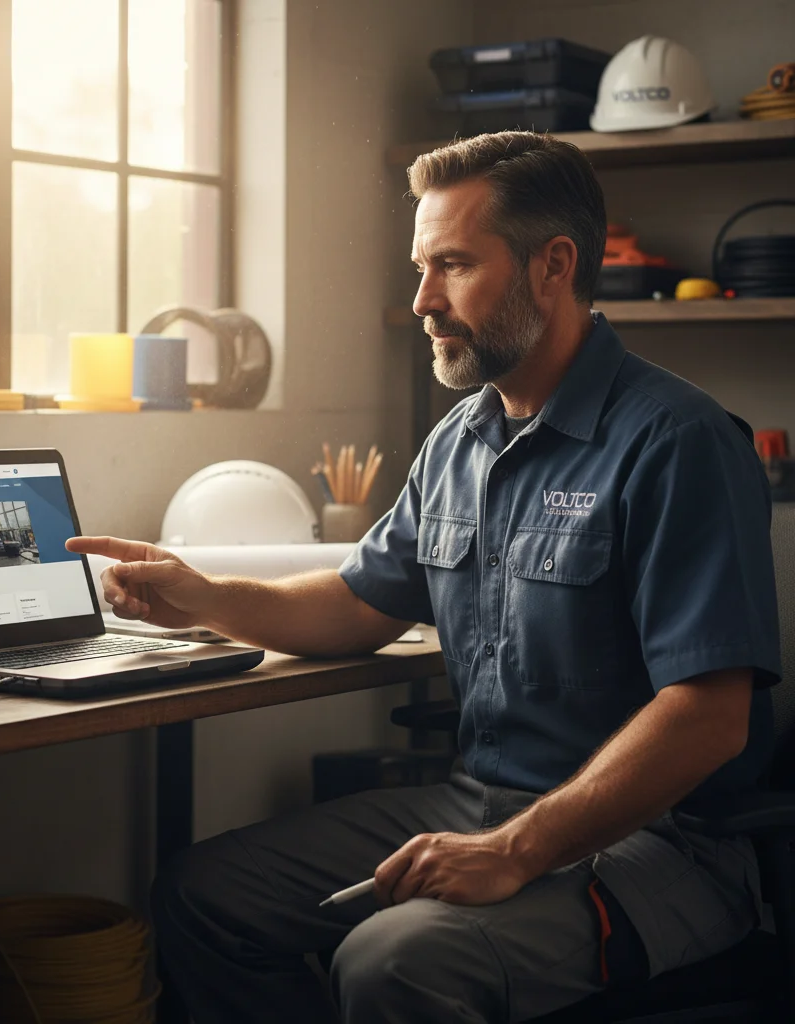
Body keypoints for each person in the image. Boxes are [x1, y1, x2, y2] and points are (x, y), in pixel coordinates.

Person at [66, 131, 780, 1024]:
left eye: (452, 265)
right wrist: (204, 595)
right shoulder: (459, 440)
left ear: (552, 266)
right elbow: (361, 602)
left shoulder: (678, 443)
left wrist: (518, 849)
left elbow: (709, 719)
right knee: (204, 895)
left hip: (662, 846)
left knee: (393, 963)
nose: (422, 300)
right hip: (482, 800)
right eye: (420, 266)